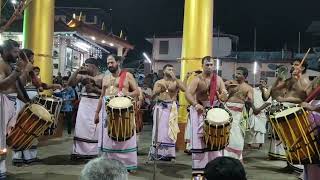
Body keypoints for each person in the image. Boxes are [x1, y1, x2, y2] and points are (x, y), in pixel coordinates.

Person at [11, 49, 62, 166]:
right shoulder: (17, 67)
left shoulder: (31, 71)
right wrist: (26, 70)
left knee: (33, 128)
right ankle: (18, 157)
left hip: (33, 101)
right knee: (21, 127)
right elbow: (18, 84)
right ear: (26, 58)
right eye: (32, 58)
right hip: (21, 100)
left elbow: (39, 85)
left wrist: (53, 85)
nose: (33, 60)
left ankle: (30, 156)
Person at [94, 54, 139, 172]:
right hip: (107, 110)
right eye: (108, 63)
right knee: (108, 137)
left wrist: (126, 94)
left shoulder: (127, 75)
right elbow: (102, 96)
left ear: (118, 62)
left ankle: (127, 164)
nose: (109, 65)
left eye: (111, 62)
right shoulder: (105, 78)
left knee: (124, 137)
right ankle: (108, 163)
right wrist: (97, 112)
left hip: (123, 110)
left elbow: (136, 92)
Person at [185, 56, 228, 176]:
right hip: (200, 111)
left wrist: (224, 96)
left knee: (215, 140)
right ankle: (200, 171)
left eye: (211, 65)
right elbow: (188, 93)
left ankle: (216, 170)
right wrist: (195, 104)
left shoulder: (218, 80)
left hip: (215, 111)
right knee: (201, 142)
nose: (209, 67)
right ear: (202, 65)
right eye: (207, 65)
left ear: (214, 66)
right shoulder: (197, 79)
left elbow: (224, 95)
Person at [0, 39, 33, 179]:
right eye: (14, 52)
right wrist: (19, 70)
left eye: (18, 52)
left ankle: (1, 169)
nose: (17, 55)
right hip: (2, 102)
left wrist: (28, 103)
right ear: (5, 51)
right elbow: (1, 86)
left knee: (5, 138)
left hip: (11, 103)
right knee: (0, 139)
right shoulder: (1, 64)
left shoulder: (10, 65)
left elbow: (18, 87)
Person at [68, 58, 103, 160]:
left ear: (94, 66)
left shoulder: (103, 77)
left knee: (95, 130)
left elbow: (107, 92)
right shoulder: (82, 75)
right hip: (84, 106)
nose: (85, 67)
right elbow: (70, 83)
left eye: (87, 65)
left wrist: (94, 89)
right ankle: (79, 152)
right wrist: (76, 71)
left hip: (96, 105)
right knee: (81, 128)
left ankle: (94, 152)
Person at [150, 64, 186, 162]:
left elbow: (184, 89)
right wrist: (157, 92)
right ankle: (157, 153)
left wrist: (176, 79)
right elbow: (152, 97)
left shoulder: (176, 82)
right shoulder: (159, 82)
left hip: (171, 108)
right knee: (159, 131)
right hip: (160, 107)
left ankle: (170, 154)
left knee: (171, 130)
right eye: (169, 69)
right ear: (164, 71)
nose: (171, 71)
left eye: (172, 69)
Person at [223, 67, 254, 161]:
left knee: (237, 135)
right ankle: (224, 155)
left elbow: (251, 100)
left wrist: (248, 99)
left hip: (238, 114)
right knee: (225, 132)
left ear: (244, 76)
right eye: (236, 73)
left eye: (239, 74)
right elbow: (222, 97)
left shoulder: (248, 88)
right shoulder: (230, 83)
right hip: (227, 110)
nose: (236, 75)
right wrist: (226, 88)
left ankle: (236, 157)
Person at [247, 78, 271, 149]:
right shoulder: (253, 90)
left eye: (263, 82)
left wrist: (258, 109)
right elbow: (249, 100)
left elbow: (268, 102)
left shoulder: (267, 92)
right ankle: (249, 144)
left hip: (261, 113)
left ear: (266, 83)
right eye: (260, 81)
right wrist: (254, 109)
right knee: (251, 129)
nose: (261, 83)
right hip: (252, 111)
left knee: (261, 129)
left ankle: (259, 145)